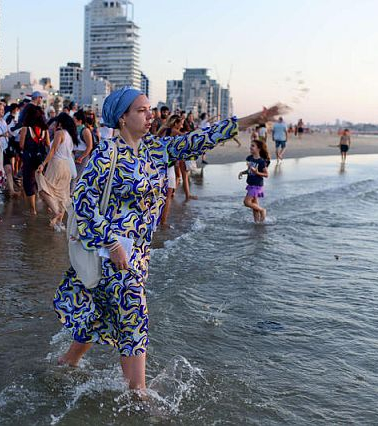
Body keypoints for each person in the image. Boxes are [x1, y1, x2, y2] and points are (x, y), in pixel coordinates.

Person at [53, 86, 273, 390]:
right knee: (133, 317)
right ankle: (138, 393)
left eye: (149, 109)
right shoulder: (105, 155)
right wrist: (113, 243)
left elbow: (200, 139)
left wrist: (252, 119)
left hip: (139, 253)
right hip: (111, 256)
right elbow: (82, 203)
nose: (150, 115)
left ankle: (68, 362)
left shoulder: (154, 150)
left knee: (100, 314)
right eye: (141, 110)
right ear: (121, 118)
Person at [36, 112, 77, 230]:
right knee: (62, 195)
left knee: (43, 188)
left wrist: (43, 164)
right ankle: (59, 223)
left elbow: (53, 150)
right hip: (67, 167)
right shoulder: (70, 135)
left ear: (60, 122)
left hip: (56, 165)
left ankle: (56, 213)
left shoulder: (60, 133)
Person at [19, 105, 50, 215]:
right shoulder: (44, 129)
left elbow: (21, 145)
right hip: (41, 158)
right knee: (42, 181)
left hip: (29, 158)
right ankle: (49, 206)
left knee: (29, 182)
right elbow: (47, 144)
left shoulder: (25, 129)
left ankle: (33, 210)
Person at [238, 139, 270, 223]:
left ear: (258, 149)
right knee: (254, 205)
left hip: (257, 185)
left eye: (253, 146)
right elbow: (249, 170)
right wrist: (243, 172)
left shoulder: (261, 161)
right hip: (251, 184)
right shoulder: (249, 158)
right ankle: (258, 223)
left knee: (246, 202)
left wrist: (257, 172)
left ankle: (262, 210)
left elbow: (266, 175)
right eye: (250, 145)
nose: (250, 147)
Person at [73, 110, 94, 178]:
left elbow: (90, 146)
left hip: (82, 155)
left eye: (74, 119)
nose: (73, 121)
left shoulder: (85, 131)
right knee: (73, 178)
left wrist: (81, 157)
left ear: (80, 120)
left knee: (75, 178)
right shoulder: (75, 129)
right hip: (74, 154)